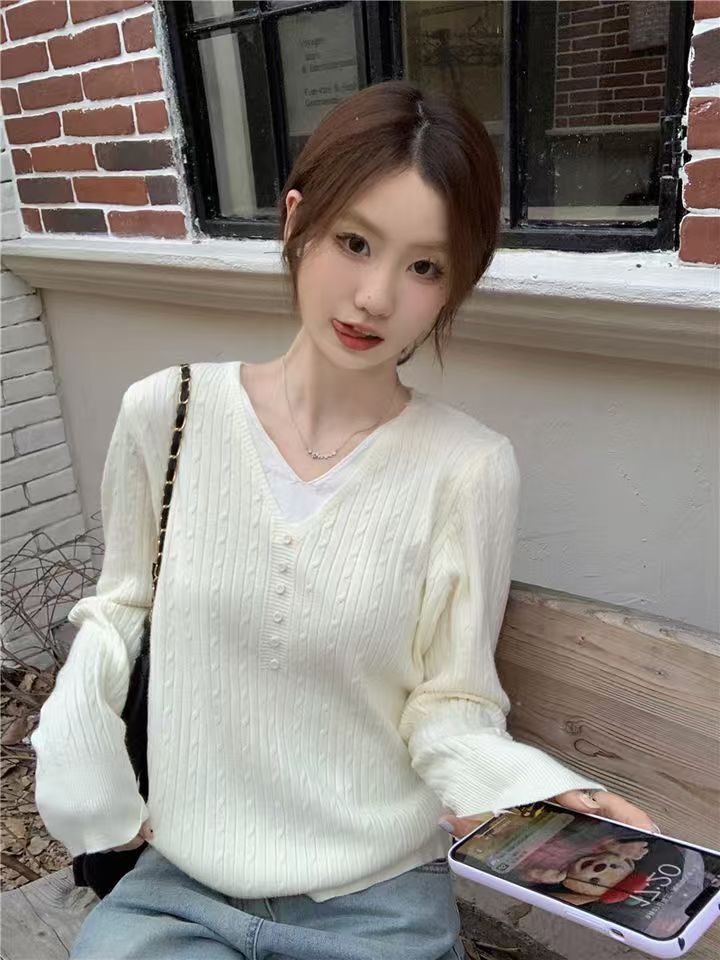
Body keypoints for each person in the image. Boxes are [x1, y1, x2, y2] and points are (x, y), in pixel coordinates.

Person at [31, 81, 658, 960]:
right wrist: (86, 766)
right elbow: (120, 611)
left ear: (456, 285)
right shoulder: (167, 415)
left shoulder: (468, 468)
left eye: (425, 267)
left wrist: (524, 790)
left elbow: (451, 703)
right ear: (297, 221)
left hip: (378, 903)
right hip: (183, 888)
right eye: (354, 242)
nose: (374, 297)